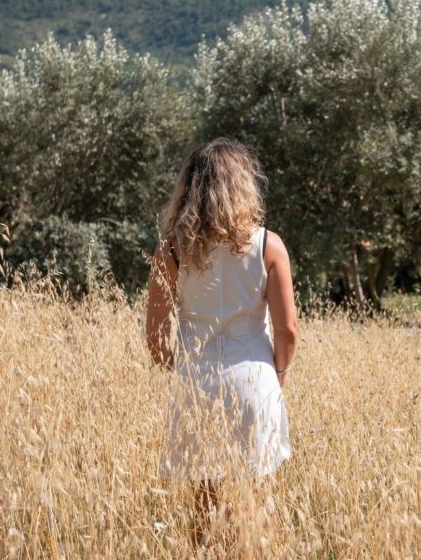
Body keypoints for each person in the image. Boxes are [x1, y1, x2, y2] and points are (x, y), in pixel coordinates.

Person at [144, 137, 298, 550]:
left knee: (204, 510)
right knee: (254, 504)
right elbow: (288, 331)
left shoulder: (171, 251)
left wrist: (185, 369)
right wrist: (278, 372)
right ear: (245, 186)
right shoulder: (269, 245)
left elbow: (157, 339)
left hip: (198, 383)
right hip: (255, 382)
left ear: (190, 188)